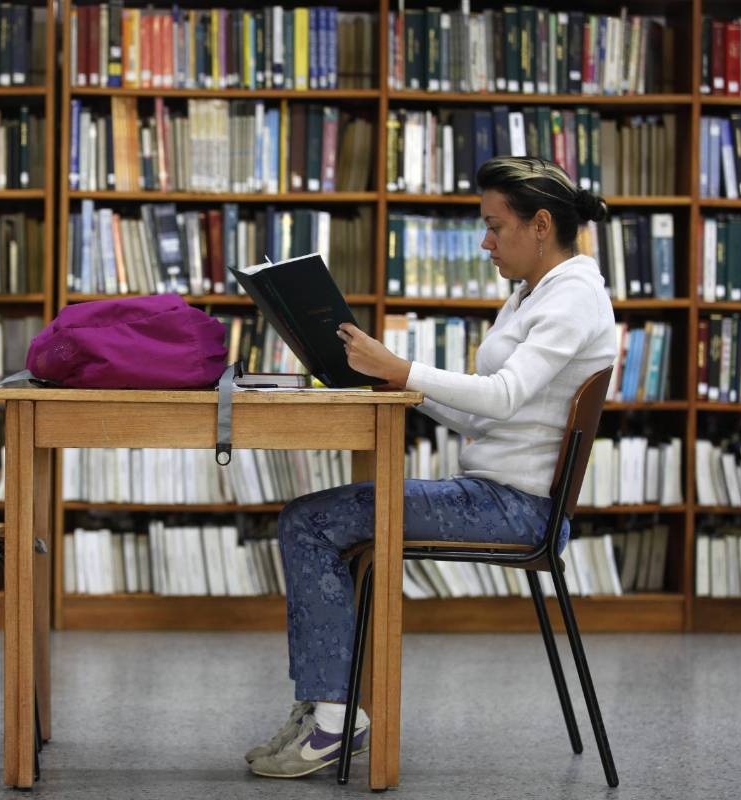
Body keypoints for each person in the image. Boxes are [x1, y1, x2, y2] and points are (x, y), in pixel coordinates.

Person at [245, 156, 616, 779]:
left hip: (516, 508)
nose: (485, 241)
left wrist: (399, 370)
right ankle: (327, 710)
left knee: (309, 522)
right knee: (317, 519)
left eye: (496, 226)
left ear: (541, 225)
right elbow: (482, 418)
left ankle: (333, 722)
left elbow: (500, 395)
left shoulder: (574, 296)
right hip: (494, 493)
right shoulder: (535, 292)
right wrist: (398, 389)